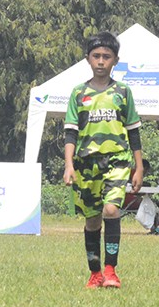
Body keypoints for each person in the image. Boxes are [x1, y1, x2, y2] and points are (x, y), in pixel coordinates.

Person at [62, 31, 144, 289]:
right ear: (88, 59)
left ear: (115, 60)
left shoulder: (122, 92)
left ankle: (111, 270)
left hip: (117, 162)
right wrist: (69, 164)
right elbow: (70, 132)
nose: (100, 61)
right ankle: (95, 272)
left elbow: (134, 131)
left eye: (106, 57)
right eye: (96, 56)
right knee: (92, 220)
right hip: (86, 165)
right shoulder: (78, 94)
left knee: (111, 210)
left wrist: (138, 166)